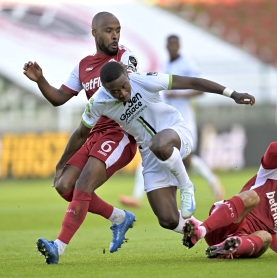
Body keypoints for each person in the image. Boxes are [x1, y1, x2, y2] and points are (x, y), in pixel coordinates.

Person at [57, 61, 255, 255]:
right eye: (115, 92)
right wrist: (61, 164)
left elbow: (193, 83)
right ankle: (212, 233)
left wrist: (232, 94)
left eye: (124, 86)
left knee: (159, 144)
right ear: (105, 89)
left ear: (128, 76)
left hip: (175, 133)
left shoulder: (145, 80)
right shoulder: (98, 102)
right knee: (167, 219)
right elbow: (81, 134)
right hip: (150, 155)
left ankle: (186, 186)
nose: (123, 94)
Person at [22, 12, 140, 264]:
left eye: (118, 29)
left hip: (119, 134)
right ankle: (119, 217)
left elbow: (133, 87)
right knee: (65, 186)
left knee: (84, 183)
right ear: (95, 33)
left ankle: (58, 247)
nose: (115, 35)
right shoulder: (83, 66)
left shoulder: (125, 57)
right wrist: (41, 80)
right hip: (93, 134)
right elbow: (58, 98)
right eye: (109, 30)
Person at [119, 34, 224, 208]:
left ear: (179, 46)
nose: (172, 47)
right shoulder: (165, 64)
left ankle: (213, 181)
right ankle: (137, 196)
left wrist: (178, 94)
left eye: (175, 44)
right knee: (150, 150)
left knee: (188, 159)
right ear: (166, 46)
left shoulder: (187, 63)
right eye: (170, 44)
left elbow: (199, 90)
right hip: (165, 119)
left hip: (184, 118)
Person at [182, 141, 277, 259]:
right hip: (223, 223)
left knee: (266, 237)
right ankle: (201, 230)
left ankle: (227, 248)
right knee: (252, 197)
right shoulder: (275, 173)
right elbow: (275, 147)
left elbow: (271, 230)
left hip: (243, 238)